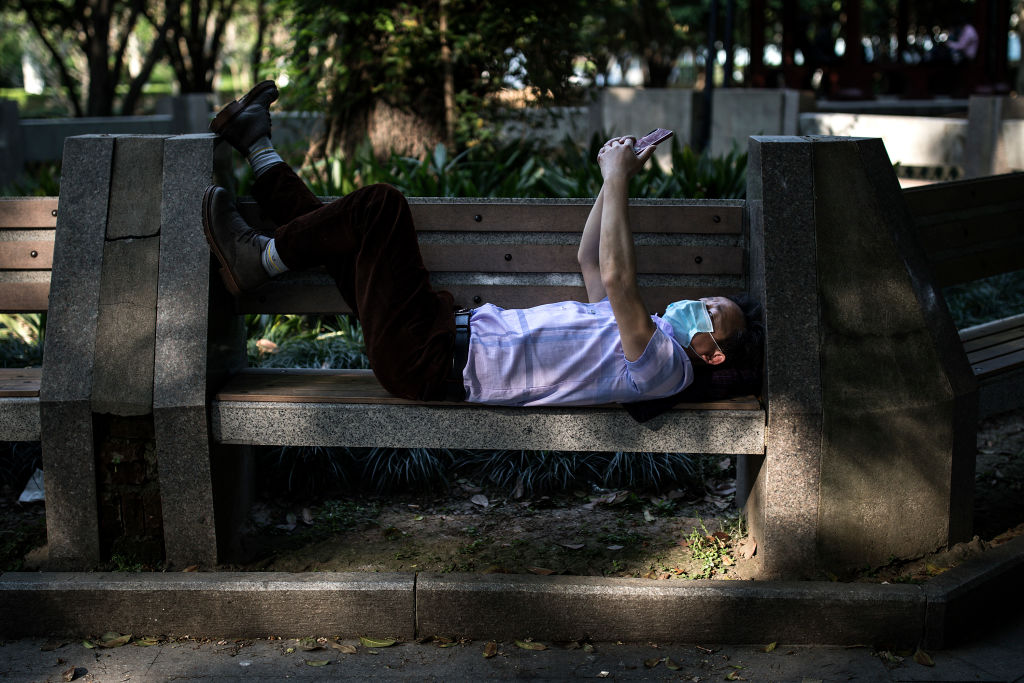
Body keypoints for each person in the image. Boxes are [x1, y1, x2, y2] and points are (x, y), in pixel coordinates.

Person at [203, 81, 763, 410]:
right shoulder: (641, 335)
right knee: (343, 242)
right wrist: (614, 178)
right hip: (437, 333)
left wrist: (617, 180)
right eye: (712, 298)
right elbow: (592, 261)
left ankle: (260, 260)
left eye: (714, 313)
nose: (703, 302)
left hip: (430, 359)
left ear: (712, 352)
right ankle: (256, 144)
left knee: (380, 206)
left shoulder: (665, 367)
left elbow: (619, 280)